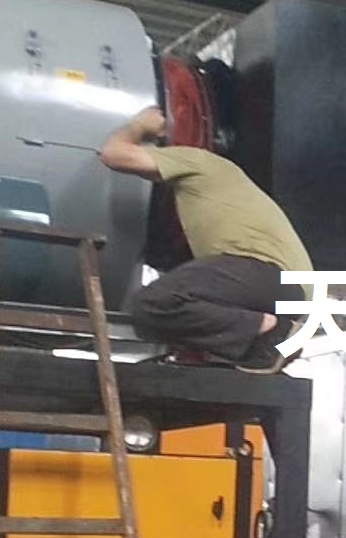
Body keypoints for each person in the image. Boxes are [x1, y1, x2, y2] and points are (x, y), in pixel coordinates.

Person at [98, 106, 312, 374]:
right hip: (290, 292)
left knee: (156, 303)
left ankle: (270, 329)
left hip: (272, 276)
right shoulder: (224, 185)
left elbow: (114, 154)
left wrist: (140, 125)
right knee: (157, 318)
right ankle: (260, 342)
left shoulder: (197, 160)